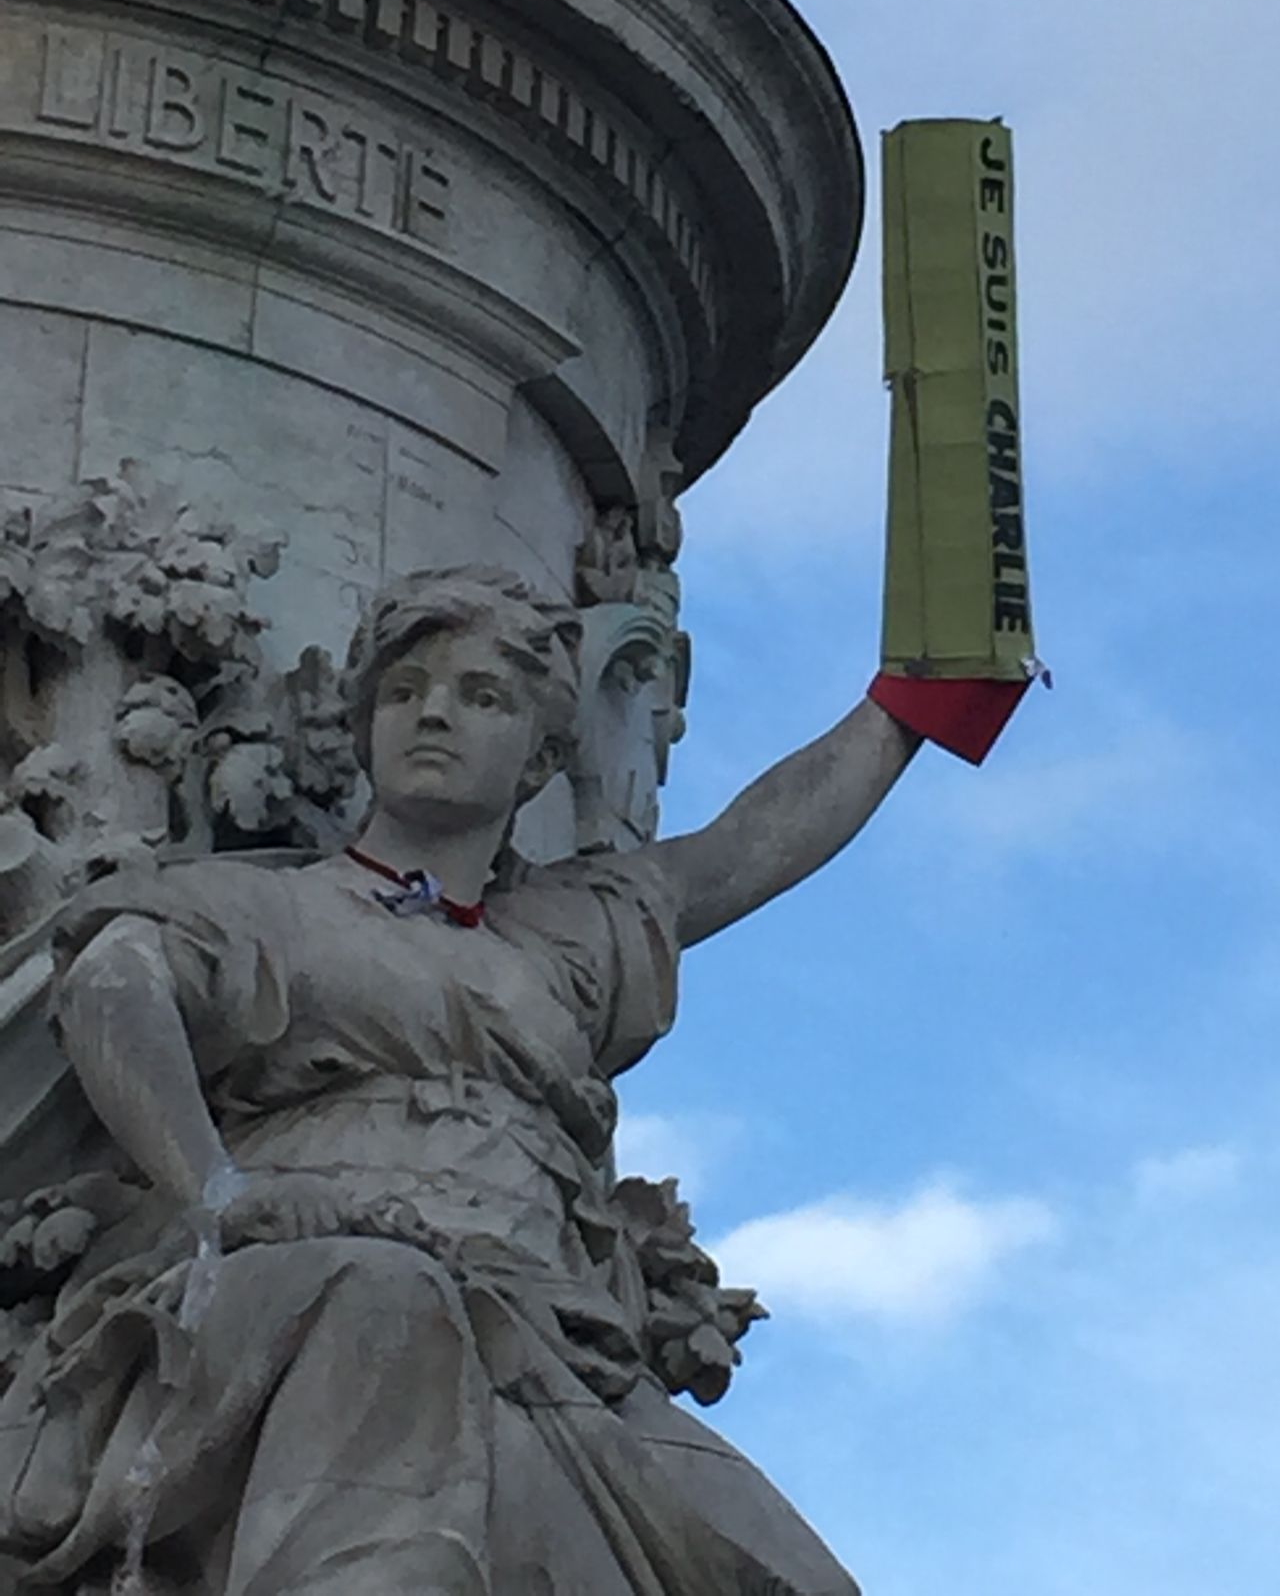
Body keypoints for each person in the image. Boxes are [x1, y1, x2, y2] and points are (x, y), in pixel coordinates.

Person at [0, 567, 919, 1595]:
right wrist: (219, 1191)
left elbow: (756, 840)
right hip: (312, 1273)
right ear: (361, 724)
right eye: (404, 691)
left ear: (540, 756)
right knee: (390, 1308)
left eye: (482, 697)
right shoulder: (265, 908)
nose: (433, 712)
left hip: (548, 1321)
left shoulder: (576, 931)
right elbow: (112, 986)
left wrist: (919, 696)